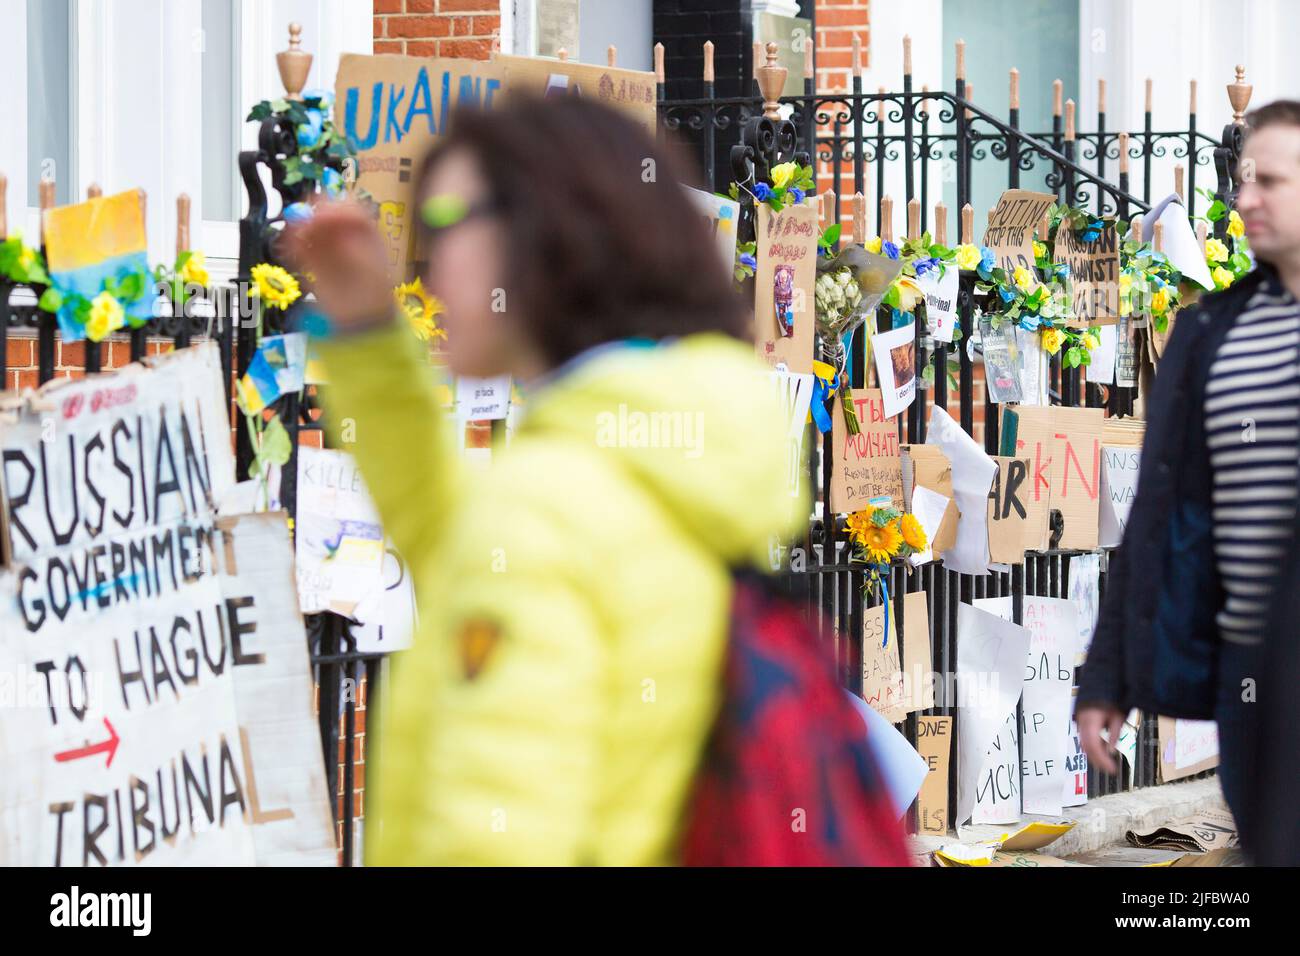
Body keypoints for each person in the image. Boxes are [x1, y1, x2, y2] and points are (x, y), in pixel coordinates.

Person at [285, 96, 804, 865]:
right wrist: (364, 335)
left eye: (447, 222)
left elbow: (491, 837)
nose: (424, 265)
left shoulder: (548, 508)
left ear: (550, 229)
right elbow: (454, 540)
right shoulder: (656, 461)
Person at [1077, 100, 1300, 852]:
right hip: (1251, 681)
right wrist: (1106, 676)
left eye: (1270, 181)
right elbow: (1157, 513)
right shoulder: (1210, 332)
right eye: (1243, 180)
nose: (1245, 200)